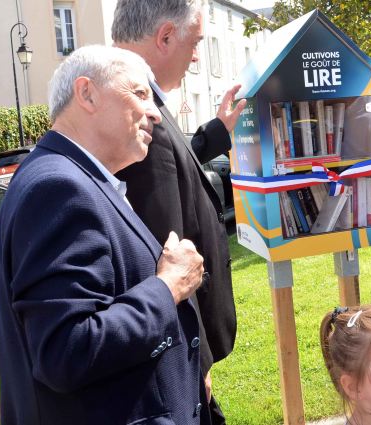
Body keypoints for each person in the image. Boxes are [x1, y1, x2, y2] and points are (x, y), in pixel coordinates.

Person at [0, 45, 211, 424]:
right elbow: (66, 351)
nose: (155, 113)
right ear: (87, 93)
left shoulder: (76, 178)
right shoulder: (60, 187)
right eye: (139, 94)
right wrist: (168, 286)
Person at [111, 2, 246, 423]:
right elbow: (163, 257)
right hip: (178, 353)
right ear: (166, 36)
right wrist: (196, 360)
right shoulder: (136, 113)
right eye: (195, 43)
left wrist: (216, 133)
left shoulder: (136, 99)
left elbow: (172, 159)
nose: (196, 56)